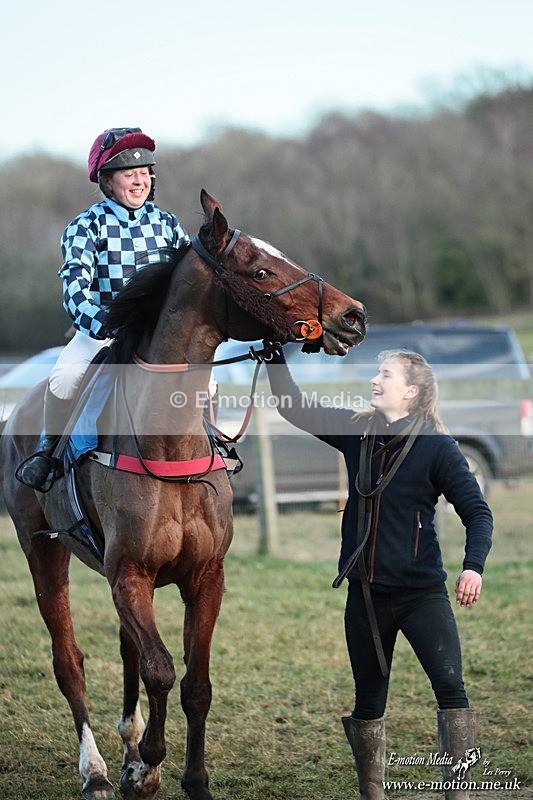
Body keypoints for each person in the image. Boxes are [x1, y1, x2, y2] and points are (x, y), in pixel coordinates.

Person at [265, 347, 493, 800]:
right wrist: (273, 355)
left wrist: (473, 567)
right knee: (368, 699)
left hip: (422, 594)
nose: (374, 379)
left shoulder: (437, 446)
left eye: (384, 374)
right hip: (365, 597)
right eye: (376, 372)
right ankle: (373, 794)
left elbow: (477, 512)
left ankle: (459, 794)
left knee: (450, 687)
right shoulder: (358, 431)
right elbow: (293, 405)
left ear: (410, 391)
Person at [19, 127, 190, 490]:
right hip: (102, 332)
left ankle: (213, 446)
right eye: (130, 174)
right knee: (64, 376)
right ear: (108, 182)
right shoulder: (85, 225)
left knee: (212, 381)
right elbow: (74, 288)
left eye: (144, 173)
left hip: (159, 335)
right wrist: (105, 324)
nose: (139, 181)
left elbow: (188, 285)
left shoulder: (169, 225)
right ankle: (48, 454)